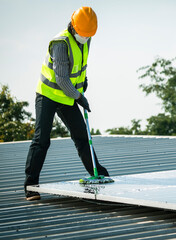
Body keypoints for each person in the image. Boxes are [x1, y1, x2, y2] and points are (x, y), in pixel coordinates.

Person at [24, 6, 109, 201]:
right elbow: (62, 79)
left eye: (89, 34)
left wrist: (83, 81)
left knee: (81, 135)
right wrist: (79, 97)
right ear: (73, 26)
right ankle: (30, 184)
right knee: (42, 139)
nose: (86, 37)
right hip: (48, 94)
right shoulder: (60, 43)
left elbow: (81, 64)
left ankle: (98, 172)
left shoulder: (86, 38)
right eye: (83, 33)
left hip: (67, 96)